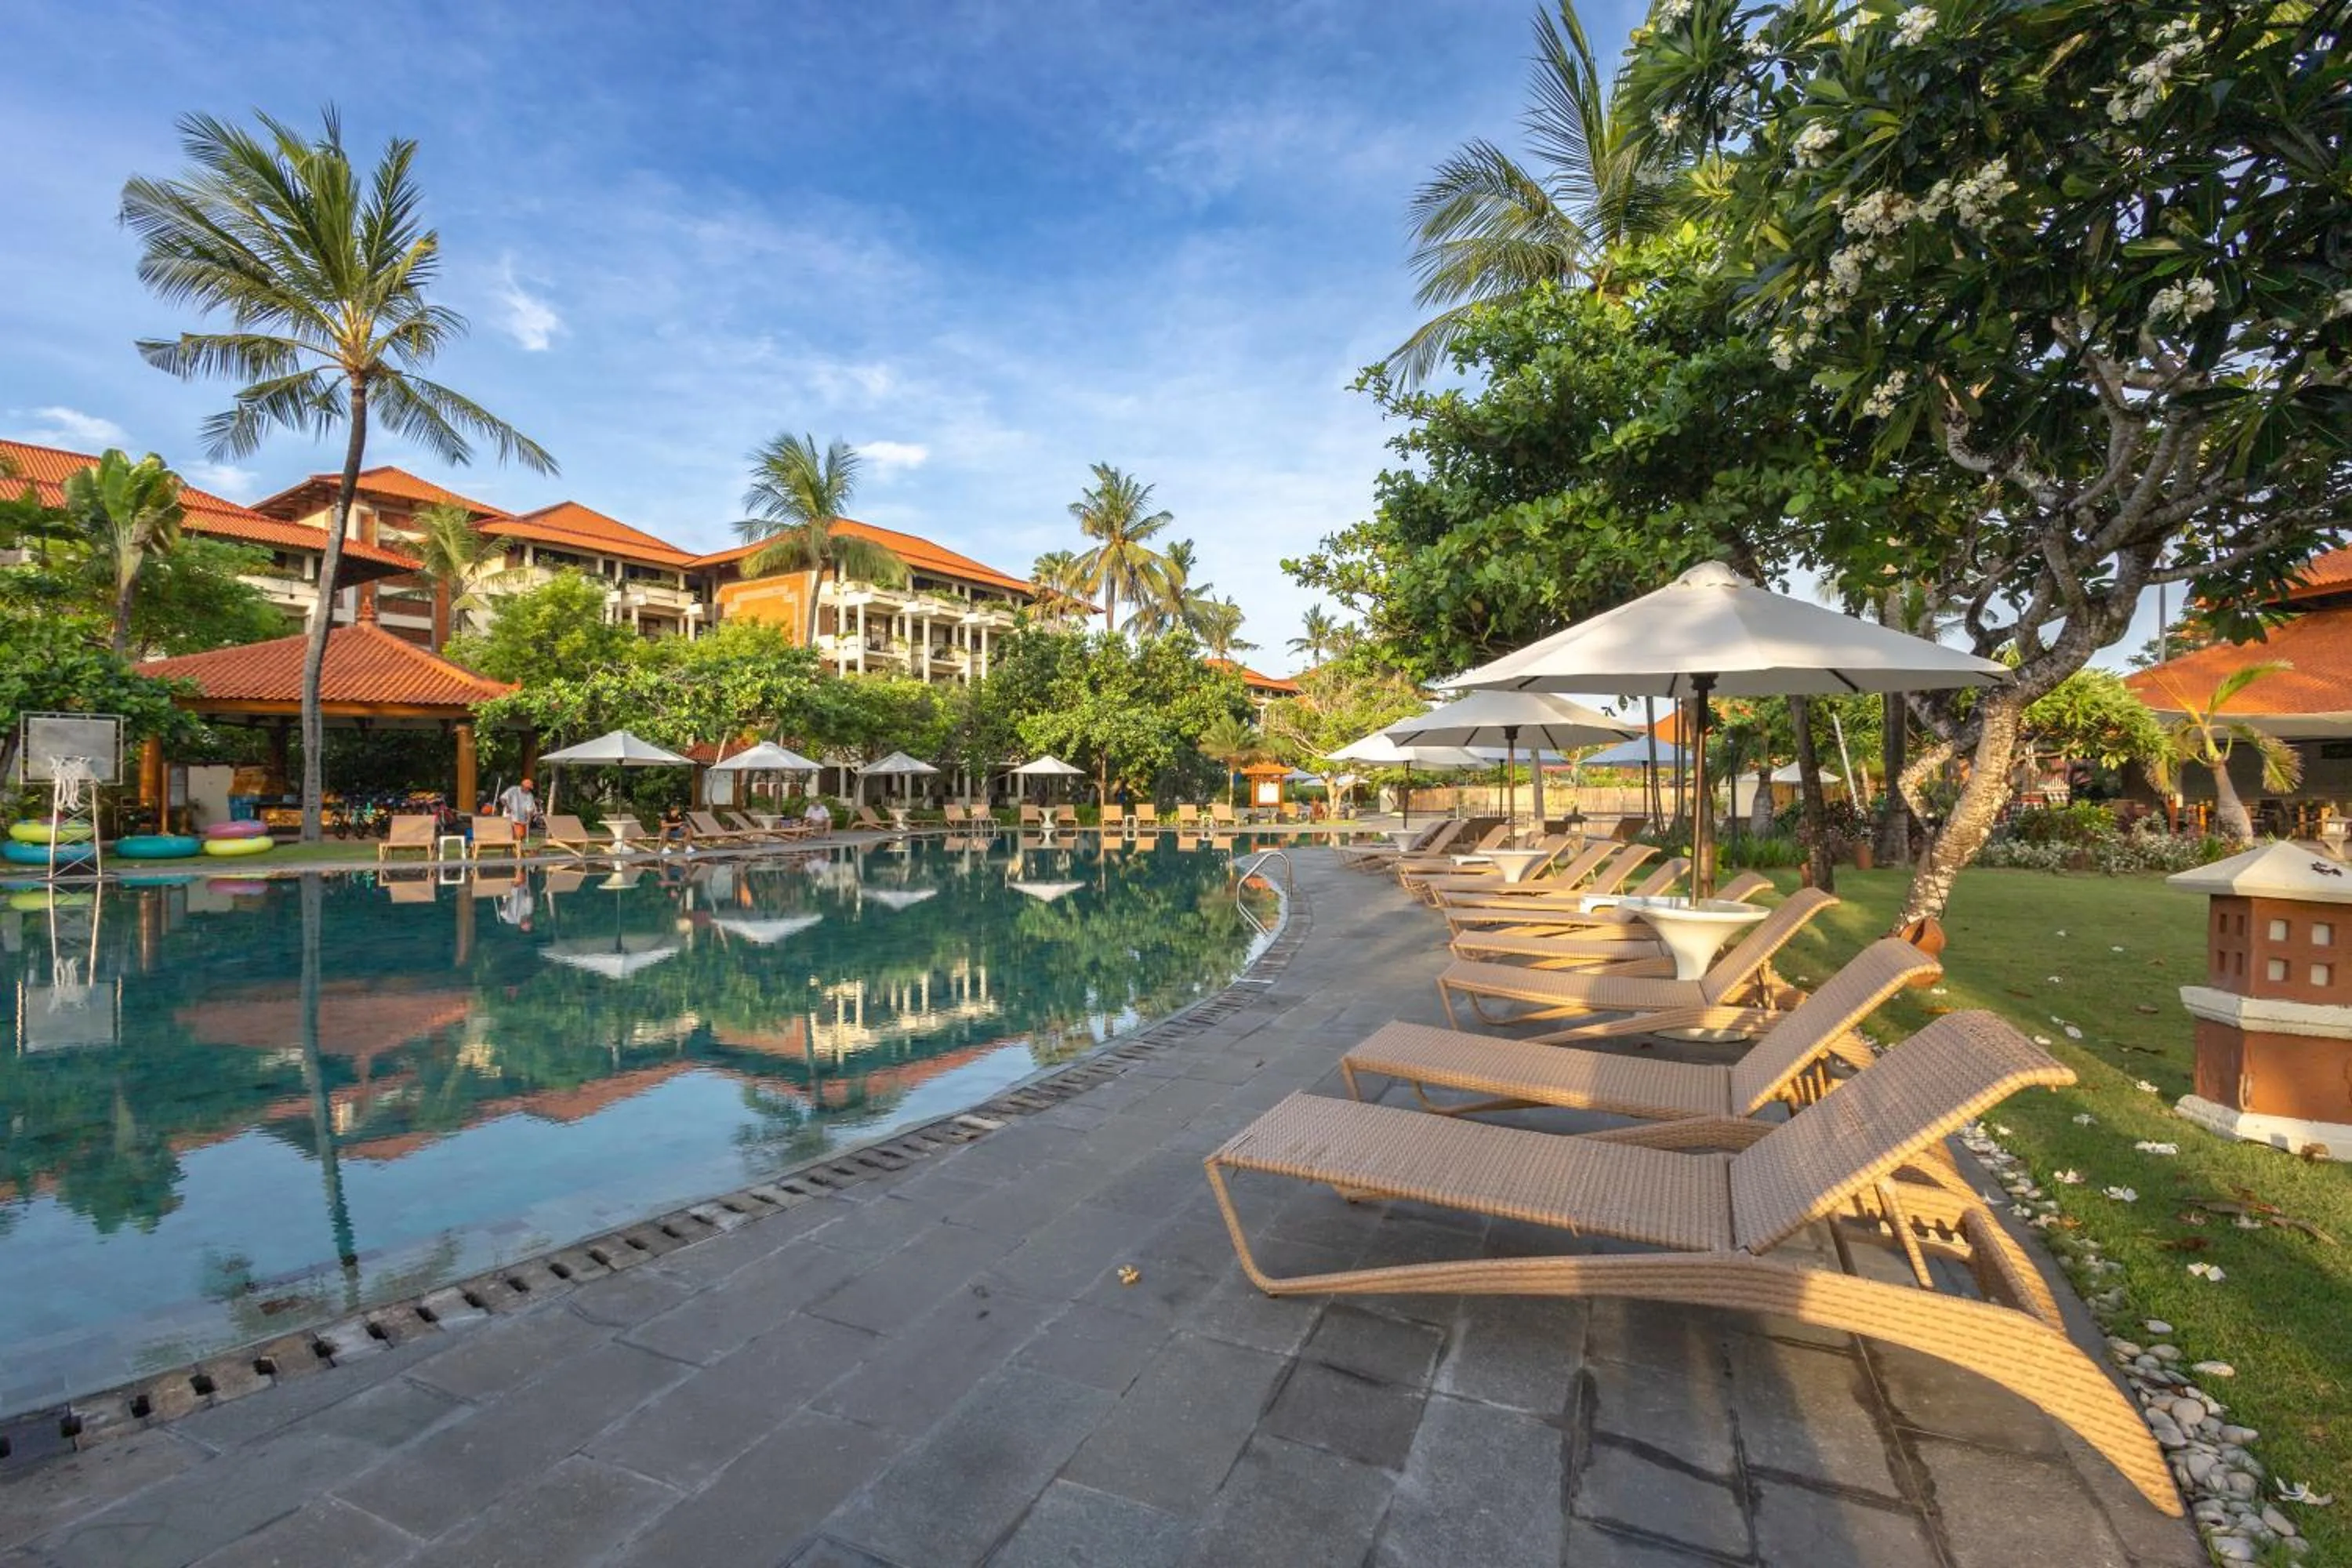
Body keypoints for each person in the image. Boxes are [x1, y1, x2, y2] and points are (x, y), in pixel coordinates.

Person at [496, 776, 538, 847]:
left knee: (520, 836)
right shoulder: (513, 790)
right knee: (508, 835)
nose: (528, 790)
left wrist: (529, 820)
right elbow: (502, 798)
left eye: (529, 788)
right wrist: (507, 807)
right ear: (522, 786)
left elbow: (529, 810)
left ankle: (519, 850)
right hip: (509, 816)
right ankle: (508, 849)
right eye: (527, 788)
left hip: (520, 819)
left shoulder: (530, 795)